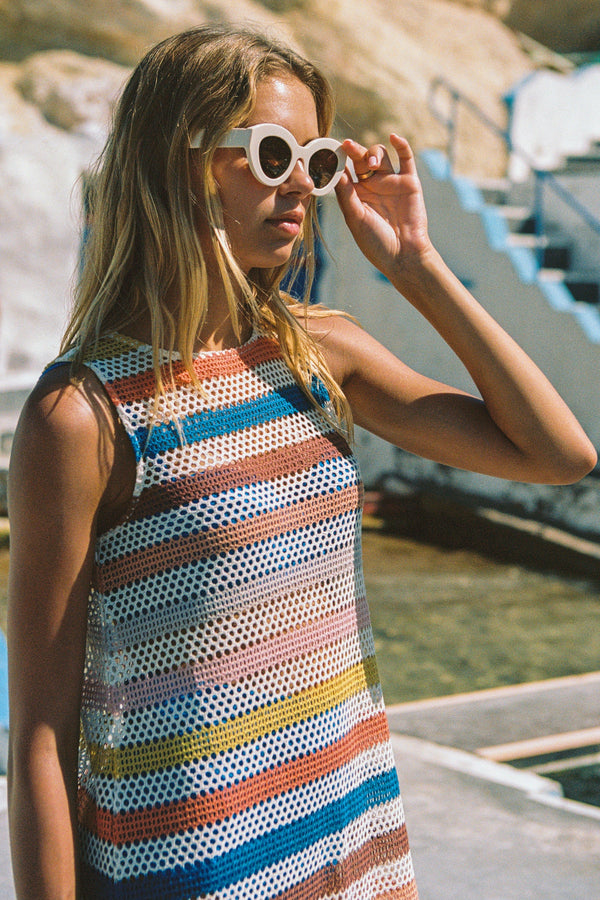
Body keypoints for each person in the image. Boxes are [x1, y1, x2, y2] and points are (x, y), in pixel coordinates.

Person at [6, 22, 596, 900]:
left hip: (355, 857)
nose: (301, 187)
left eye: (316, 162)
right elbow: (42, 738)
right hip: (189, 875)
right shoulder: (84, 416)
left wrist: (417, 266)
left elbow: (557, 454)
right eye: (274, 154)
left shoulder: (319, 355)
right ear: (179, 160)